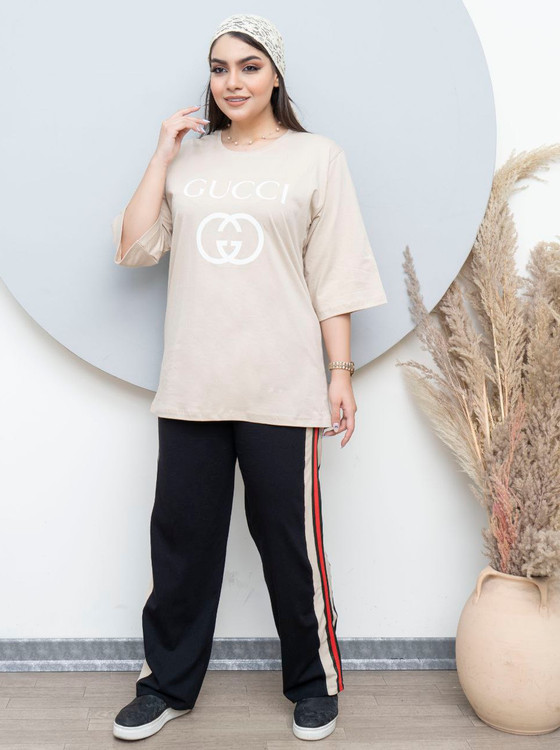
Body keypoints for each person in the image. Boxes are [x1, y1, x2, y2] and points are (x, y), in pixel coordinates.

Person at [111, 13, 388, 743]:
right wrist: (162, 154)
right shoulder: (190, 161)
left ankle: (313, 684)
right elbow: (134, 248)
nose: (231, 82)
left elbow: (335, 273)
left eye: (249, 66)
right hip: (193, 383)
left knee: (290, 547)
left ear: (275, 75)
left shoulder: (317, 157)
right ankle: (165, 686)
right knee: (181, 545)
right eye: (219, 68)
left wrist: (339, 373)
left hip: (281, 385)